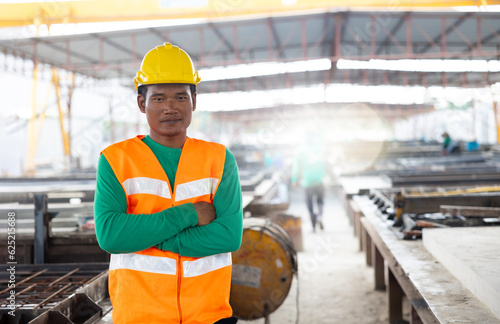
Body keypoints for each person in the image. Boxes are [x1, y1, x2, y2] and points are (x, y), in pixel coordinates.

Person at [94, 43, 243, 324]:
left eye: (181, 97)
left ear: (194, 101)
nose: (171, 108)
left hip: (208, 315)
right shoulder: (115, 160)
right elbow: (111, 236)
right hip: (139, 316)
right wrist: (187, 215)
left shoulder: (220, 159)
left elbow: (229, 236)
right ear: (142, 103)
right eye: (159, 98)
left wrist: (144, 236)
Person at [291, 131, 327, 232]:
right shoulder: (318, 148)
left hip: (307, 182)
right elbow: (324, 162)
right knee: (320, 201)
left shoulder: (300, 150)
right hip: (319, 180)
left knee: (309, 203)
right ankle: (320, 216)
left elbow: (296, 166)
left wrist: (294, 179)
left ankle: (313, 227)